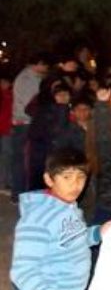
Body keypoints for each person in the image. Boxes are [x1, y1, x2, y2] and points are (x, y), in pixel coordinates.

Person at [10, 148, 111, 290]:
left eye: (81, 177)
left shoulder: (69, 208)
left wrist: (98, 232)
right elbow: (22, 269)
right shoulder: (37, 219)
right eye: (67, 177)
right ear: (49, 179)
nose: (75, 185)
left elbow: (72, 239)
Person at [11, 53, 50, 200]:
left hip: (23, 122)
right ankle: (20, 193)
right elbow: (31, 104)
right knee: (24, 161)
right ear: (38, 64)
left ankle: (18, 193)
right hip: (26, 123)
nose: (46, 68)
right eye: (45, 64)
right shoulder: (28, 79)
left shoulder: (30, 77)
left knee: (21, 160)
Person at [0, 73, 14, 190]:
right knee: (6, 155)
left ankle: (4, 181)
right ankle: (4, 181)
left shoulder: (10, 95)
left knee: (7, 155)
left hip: (6, 129)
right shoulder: (8, 95)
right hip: (6, 128)